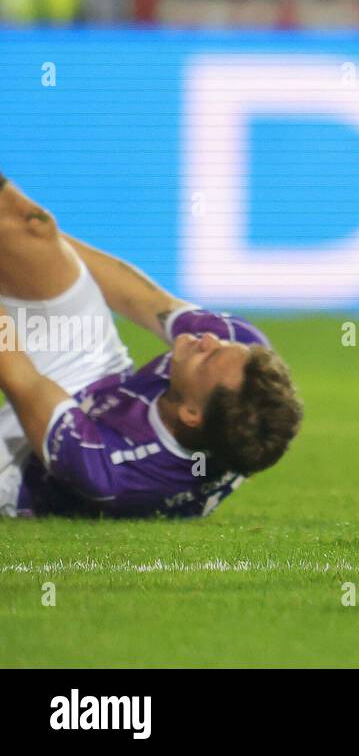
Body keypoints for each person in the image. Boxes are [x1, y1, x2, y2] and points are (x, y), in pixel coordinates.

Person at [0, 173, 302, 518]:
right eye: (221, 344)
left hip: (23, 467)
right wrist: (32, 241)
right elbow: (147, 302)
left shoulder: (114, 475)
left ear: (191, 413)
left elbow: (20, 378)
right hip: (97, 376)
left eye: (208, 357)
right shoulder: (241, 353)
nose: (208, 339)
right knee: (28, 228)